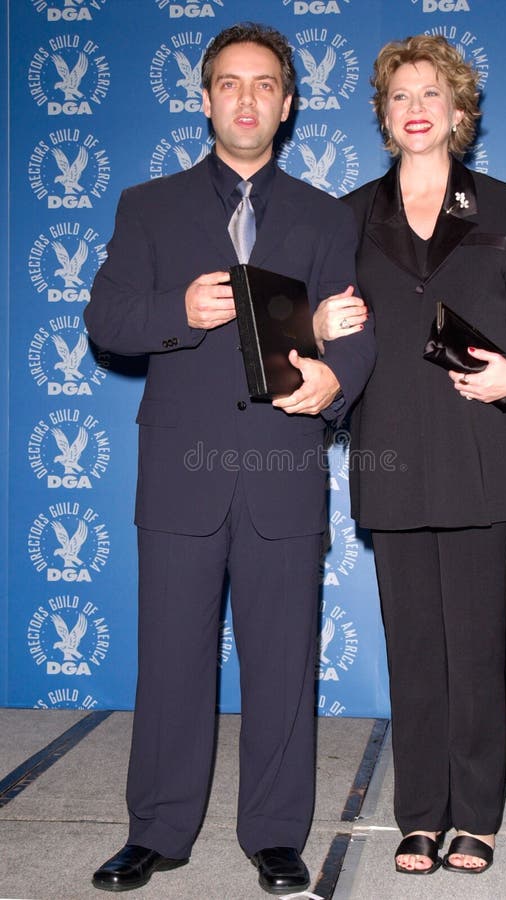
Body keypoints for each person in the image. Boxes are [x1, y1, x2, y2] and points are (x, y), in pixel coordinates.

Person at [85, 22, 375, 895]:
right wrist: (178, 307)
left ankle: (277, 836)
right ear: (204, 97)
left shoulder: (329, 215)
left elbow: (354, 330)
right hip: (179, 473)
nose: (246, 99)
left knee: (282, 658)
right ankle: (159, 831)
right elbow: (107, 321)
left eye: (264, 86)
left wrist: (333, 384)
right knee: (169, 655)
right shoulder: (148, 206)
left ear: (287, 105)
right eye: (229, 84)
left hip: (284, 469)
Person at [314, 34, 506, 875]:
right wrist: (320, 330)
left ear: (457, 112)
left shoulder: (503, 206)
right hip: (387, 454)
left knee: (477, 647)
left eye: (430, 95)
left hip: (479, 454)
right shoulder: (345, 216)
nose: (414, 108)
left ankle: (476, 816)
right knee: (411, 644)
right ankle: (419, 814)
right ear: (382, 115)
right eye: (398, 96)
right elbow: (323, 338)